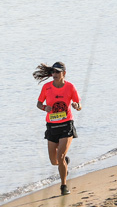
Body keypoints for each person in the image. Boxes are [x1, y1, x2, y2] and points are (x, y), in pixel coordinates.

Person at [34, 62, 82, 195]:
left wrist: (76, 105)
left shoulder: (70, 87)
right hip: (52, 126)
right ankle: (65, 163)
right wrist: (44, 108)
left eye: (57, 72)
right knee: (54, 161)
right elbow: (38, 103)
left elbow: (79, 105)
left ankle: (63, 186)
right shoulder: (46, 87)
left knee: (60, 157)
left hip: (66, 125)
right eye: (53, 72)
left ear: (64, 73)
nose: (54, 74)